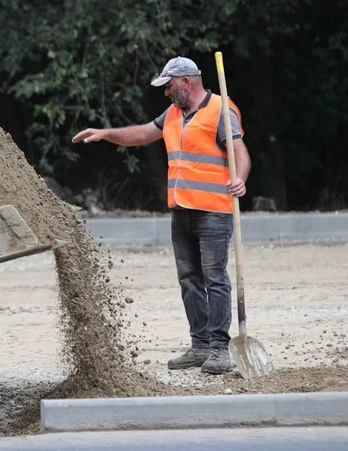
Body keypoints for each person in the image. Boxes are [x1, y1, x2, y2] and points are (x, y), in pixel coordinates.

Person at [72, 56, 251, 374]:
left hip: (213, 211)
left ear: (186, 82)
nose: (166, 92)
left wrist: (241, 179)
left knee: (216, 280)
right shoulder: (173, 113)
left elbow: (239, 151)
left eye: (168, 86)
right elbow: (142, 134)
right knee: (189, 280)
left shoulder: (221, 110)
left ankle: (220, 350)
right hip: (181, 210)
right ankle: (200, 346)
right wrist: (105, 133)